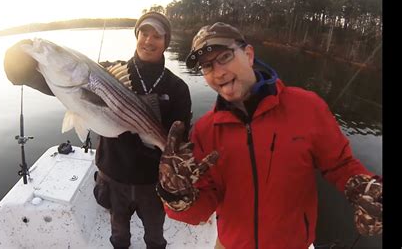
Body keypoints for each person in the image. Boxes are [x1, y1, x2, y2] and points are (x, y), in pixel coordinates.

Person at [155, 22, 382, 249]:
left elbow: (340, 164)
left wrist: (362, 187)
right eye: (207, 66)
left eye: (224, 57)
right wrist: (176, 196)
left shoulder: (307, 106)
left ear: (249, 54)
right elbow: (200, 210)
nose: (218, 72)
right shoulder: (205, 131)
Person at [3, 12, 192, 249]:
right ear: (137, 35)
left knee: (155, 237)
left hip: (152, 182)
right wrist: (18, 63)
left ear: (166, 41)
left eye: (157, 35)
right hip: (113, 176)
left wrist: (174, 167)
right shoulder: (107, 71)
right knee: (118, 236)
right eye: (144, 33)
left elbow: (180, 136)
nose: (149, 40)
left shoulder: (177, 87)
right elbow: (41, 81)